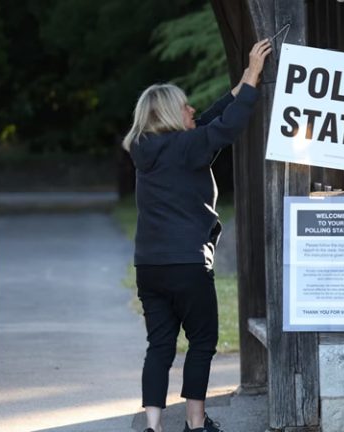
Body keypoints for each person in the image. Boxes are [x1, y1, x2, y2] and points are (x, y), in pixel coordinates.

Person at [122, 39, 272, 432]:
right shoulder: (188, 146)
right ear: (172, 114)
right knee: (202, 342)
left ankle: (153, 426)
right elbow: (227, 126)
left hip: (149, 266)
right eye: (185, 106)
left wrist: (244, 80)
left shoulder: (145, 148)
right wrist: (252, 80)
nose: (192, 109)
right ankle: (195, 422)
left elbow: (208, 120)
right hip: (188, 262)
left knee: (160, 345)